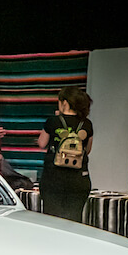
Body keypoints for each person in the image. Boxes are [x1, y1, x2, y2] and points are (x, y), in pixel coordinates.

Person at [36, 87, 94, 222]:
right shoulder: (87, 124)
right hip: (79, 180)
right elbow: (88, 150)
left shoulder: (53, 121)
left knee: (52, 221)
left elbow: (41, 143)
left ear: (65, 103)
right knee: (74, 221)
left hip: (54, 179)